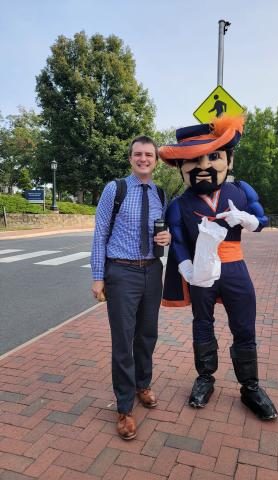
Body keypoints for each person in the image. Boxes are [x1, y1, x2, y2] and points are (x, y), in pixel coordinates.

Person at [159, 115, 278, 421]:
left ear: (229, 158)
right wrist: (185, 266)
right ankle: (205, 378)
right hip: (201, 272)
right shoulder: (179, 204)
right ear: (181, 167)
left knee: (244, 325)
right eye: (194, 160)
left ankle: (250, 386)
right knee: (202, 324)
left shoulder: (240, 191)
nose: (204, 165)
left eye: (213, 156)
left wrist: (248, 221)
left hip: (235, 266)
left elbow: (261, 221)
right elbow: (178, 240)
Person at [91, 136, 171, 440]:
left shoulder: (160, 194)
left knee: (147, 333)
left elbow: (164, 231)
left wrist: (168, 239)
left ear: (156, 160)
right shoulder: (115, 189)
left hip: (152, 271)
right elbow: (100, 235)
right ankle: (124, 408)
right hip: (121, 272)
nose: (143, 159)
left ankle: (143, 384)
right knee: (123, 340)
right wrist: (98, 277)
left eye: (149, 155)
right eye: (138, 154)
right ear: (130, 159)